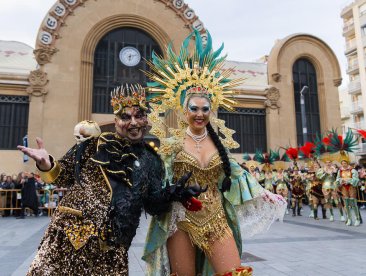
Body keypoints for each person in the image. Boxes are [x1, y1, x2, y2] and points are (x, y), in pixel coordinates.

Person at [18, 84, 203, 275]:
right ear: (116, 121)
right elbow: (63, 176)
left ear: (146, 119)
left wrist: (175, 193)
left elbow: (152, 204)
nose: (133, 122)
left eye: (138, 115)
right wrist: (46, 164)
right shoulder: (95, 144)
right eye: (125, 117)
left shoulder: (152, 161)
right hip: (70, 236)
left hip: (112, 249)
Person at [142, 30, 286, 275]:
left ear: (212, 109)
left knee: (233, 272)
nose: (200, 113)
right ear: (183, 109)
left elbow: (239, 175)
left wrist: (265, 194)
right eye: (194, 108)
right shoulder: (171, 145)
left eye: (205, 108)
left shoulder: (219, 145)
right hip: (180, 220)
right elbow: (158, 181)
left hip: (216, 218)